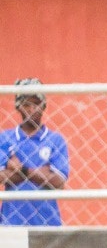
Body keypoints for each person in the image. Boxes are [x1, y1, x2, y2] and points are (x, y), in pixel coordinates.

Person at [0, 80, 69, 227]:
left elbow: (58, 182)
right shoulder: (5, 138)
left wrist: (22, 169)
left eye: (36, 103)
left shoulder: (55, 140)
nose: (32, 109)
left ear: (44, 106)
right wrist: (41, 173)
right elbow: (1, 177)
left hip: (48, 223)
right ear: (18, 107)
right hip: (11, 223)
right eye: (26, 104)